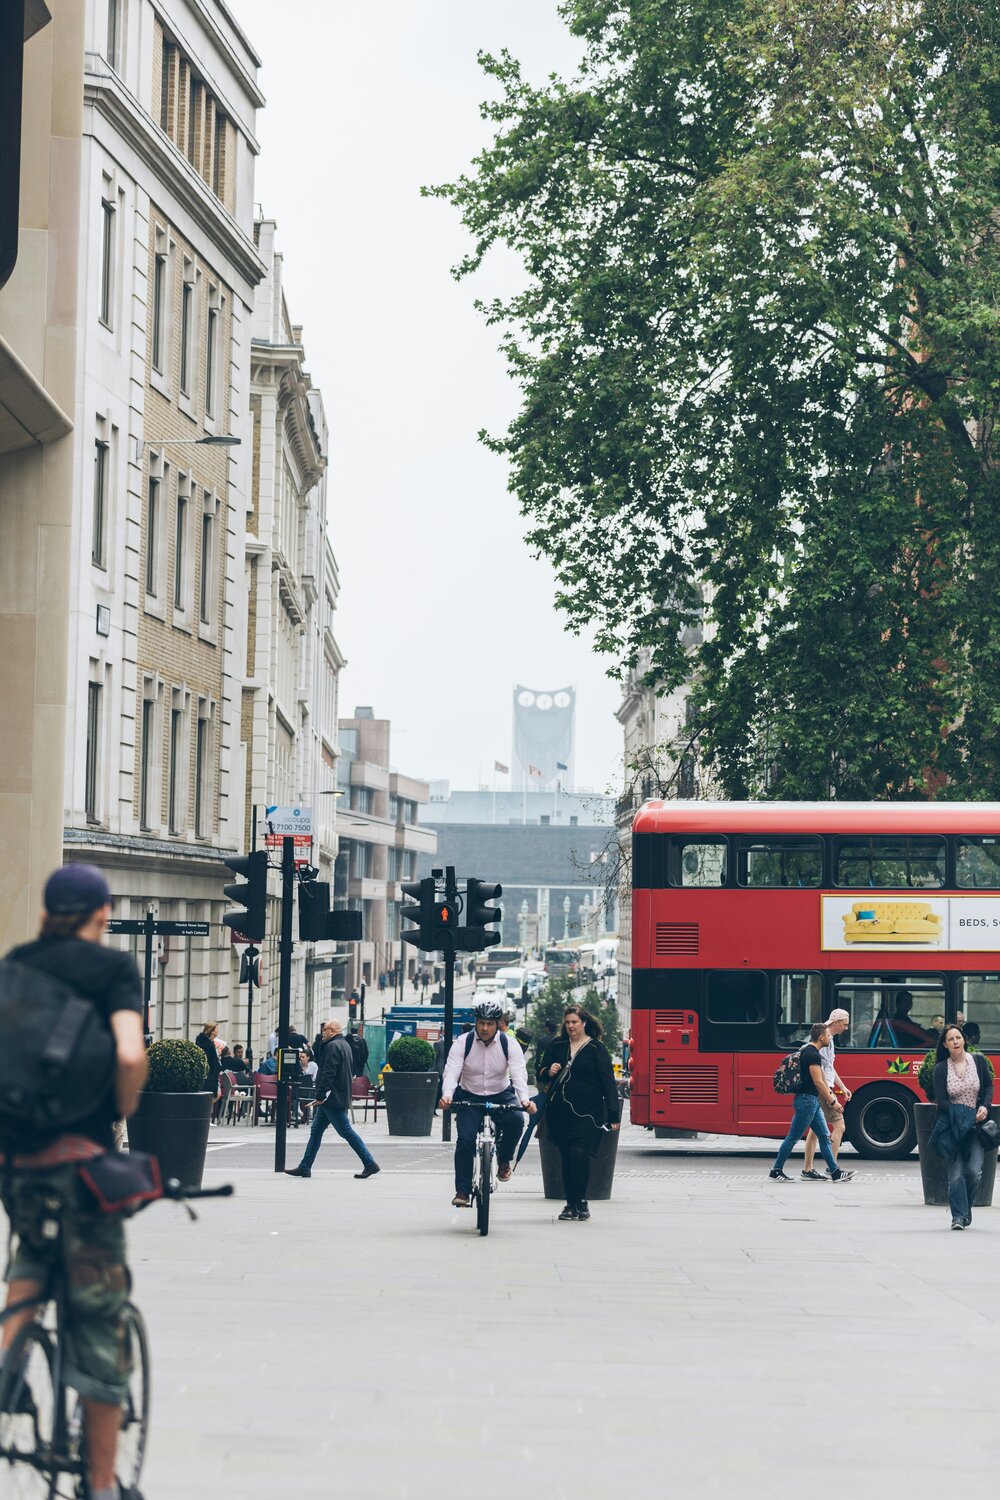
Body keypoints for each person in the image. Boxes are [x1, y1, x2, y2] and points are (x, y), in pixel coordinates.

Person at [0, 864, 147, 1500]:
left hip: (19, 1164)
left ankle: (8, 1361)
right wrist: (120, 1109)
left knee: (31, 1260)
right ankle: (104, 1483)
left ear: (45, 912)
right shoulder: (113, 970)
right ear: (101, 914)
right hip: (81, 1166)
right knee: (98, 1318)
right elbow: (130, 1054)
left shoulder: (17, 963)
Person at [440, 1000, 534, 1207]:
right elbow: (452, 1071)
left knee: (517, 1120)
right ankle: (463, 1191)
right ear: (476, 1022)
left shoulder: (508, 1044)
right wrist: (447, 1095)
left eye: (489, 1024)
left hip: (501, 1093)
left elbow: (518, 1074)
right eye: (481, 1023)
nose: (484, 1028)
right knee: (464, 1141)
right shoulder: (463, 1043)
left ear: (498, 1024)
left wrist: (525, 1100)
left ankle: (504, 1159)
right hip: (470, 1094)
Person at [542, 1004, 620, 1221]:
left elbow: (608, 1082)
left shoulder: (596, 1049)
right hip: (560, 1112)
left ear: (584, 1023)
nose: (570, 1026)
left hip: (588, 1113)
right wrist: (549, 1071)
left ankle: (581, 1201)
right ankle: (570, 1203)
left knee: (579, 1152)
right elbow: (542, 1071)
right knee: (566, 1156)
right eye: (567, 1023)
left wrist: (614, 1114)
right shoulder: (557, 1045)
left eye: (574, 1022)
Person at [285, 1021, 380, 1180]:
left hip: (331, 1098)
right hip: (338, 1095)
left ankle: (369, 1163)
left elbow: (329, 1073)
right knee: (316, 1131)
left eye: (325, 1030)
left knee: (346, 1131)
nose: (323, 1033)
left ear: (334, 1030)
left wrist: (321, 1095)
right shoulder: (344, 1045)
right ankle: (305, 1166)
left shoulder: (333, 1047)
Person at [769, 1023, 855, 1183]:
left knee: (824, 1136)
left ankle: (835, 1172)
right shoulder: (812, 1054)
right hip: (807, 1101)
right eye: (828, 1036)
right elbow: (819, 1082)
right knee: (793, 1137)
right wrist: (833, 1102)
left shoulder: (808, 1050)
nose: (830, 1038)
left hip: (810, 1101)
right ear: (821, 1037)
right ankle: (776, 1169)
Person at [930, 1023, 992, 1229]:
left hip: (975, 1126)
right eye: (950, 1039)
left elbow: (989, 1085)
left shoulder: (978, 1061)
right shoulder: (941, 1069)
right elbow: (941, 1101)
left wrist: (984, 1106)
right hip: (952, 1126)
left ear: (964, 1040)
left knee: (974, 1172)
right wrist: (964, 1115)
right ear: (945, 1045)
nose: (955, 1042)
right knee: (955, 1174)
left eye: (958, 1038)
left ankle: (966, 1209)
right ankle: (958, 1216)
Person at [801, 1009, 852, 1179]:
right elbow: (821, 1070)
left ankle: (808, 1170)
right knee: (839, 1126)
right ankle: (832, 1168)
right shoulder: (824, 1039)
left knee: (814, 1131)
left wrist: (843, 1087)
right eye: (844, 1024)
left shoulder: (828, 1039)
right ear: (836, 1022)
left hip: (824, 1087)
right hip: (823, 1089)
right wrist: (830, 1095)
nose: (846, 1028)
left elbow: (830, 1067)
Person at [195, 1022, 222, 1121]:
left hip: (209, 1074)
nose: (218, 1031)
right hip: (210, 1074)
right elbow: (209, 1059)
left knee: (212, 1095)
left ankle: (207, 1116)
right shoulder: (209, 1044)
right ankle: (205, 1116)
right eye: (216, 1029)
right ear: (212, 1030)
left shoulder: (204, 1041)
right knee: (212, 1095)